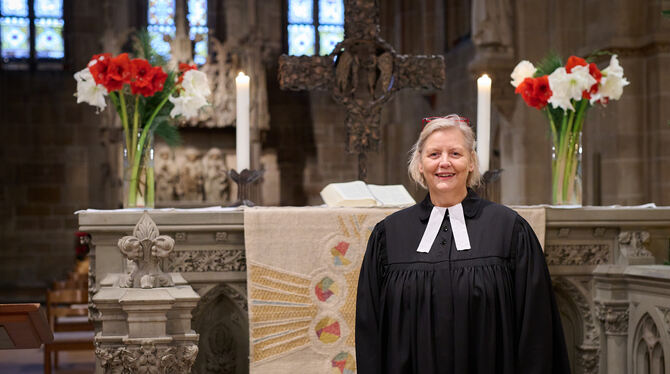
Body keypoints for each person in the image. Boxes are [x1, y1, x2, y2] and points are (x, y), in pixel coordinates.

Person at [355, 115, 570, 373]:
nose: (444, 162)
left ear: (471, 162)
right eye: (434, 154)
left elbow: (536, 327)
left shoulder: (509, 229)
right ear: (420, 164)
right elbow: (370, 329)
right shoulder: (389, 235)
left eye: (455, 153)